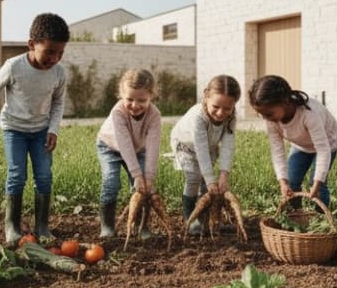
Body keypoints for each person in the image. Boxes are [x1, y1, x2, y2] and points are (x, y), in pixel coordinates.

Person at [0, 13, 68, 245]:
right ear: (32, 44)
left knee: (44, 176)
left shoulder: (59, 73)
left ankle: (42, 227)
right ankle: (12, 227)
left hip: (41, 130)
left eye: (60, 53)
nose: (55, 58)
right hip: (14, 129)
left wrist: (53, 129)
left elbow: (58, 102)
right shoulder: (14, 67)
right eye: (49, 52)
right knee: (17, 175)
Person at [248, 75, 337, 207]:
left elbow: (323, 150)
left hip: (327, 144)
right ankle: (296, 214)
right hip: (301, 146)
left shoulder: (309, 114)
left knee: (317, 184)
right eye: (261, 114)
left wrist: (317, 183)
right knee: (291, 182)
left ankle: (322, 215)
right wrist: (283, 182)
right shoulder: (272, 121)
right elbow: (277, 152)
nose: (266, 119)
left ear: (285, 101)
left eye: (268, 114)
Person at [96, 69, 162, 238]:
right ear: (121, 95)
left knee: (145, 187)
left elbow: (153, 147)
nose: (135, 105)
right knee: (111, 183)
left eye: (142, 100)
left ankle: (142, 227)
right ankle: (107, 226)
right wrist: (136, 174)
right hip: (110, 148)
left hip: (138, 149)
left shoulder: (154, 115)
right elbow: (124, 144)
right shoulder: (118, 112)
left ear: (151, 96)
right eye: (129, 99)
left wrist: (148, 177)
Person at [171, 74, 240, 235]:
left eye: (227, 108)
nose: (221, 113)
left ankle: (204, 220)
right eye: (216, 106)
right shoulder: (198, 117)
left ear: (234, 104)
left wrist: (223, 175)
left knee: (206, 186)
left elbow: (228, 146)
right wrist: (210, 179)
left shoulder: (231, 117)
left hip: (209, 147)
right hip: (186, 146)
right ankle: (189, 218)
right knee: (194, 177)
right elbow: (200, 148)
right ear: (206, 96)